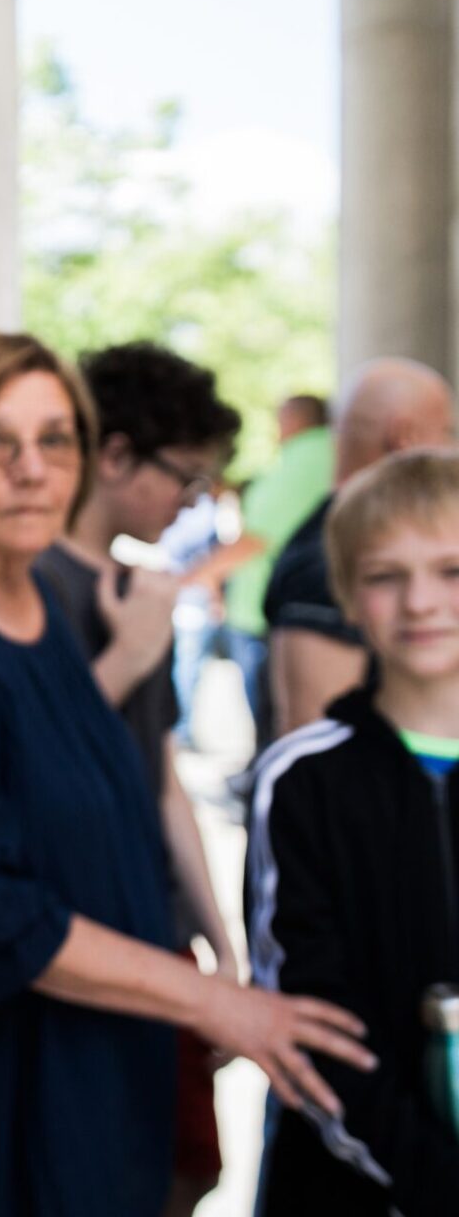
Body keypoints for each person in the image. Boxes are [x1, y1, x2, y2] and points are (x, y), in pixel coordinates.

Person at [0, 331, 373, 1217]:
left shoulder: (31, 597)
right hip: (9, 1083)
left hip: (101, 1059)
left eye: (55, 439)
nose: (31, 469)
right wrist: (213, 1001)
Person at [30, 340, 242, 1217]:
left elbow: (162, 784)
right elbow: (28, 777)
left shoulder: (143, 589)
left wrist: (222, 952)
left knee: (182, 1170)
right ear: (114, 454)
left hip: (155, 935)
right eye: (182, 477)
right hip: (68, 949)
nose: (189, 503)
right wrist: (128, 657)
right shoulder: (22, 586)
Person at [247, 448, 459, 1215]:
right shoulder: (303, 781)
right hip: (353, 1185)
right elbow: (310, 1021)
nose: (421, 602)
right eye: (385, 576)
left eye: (451, 571)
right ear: (345, 592)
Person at [265, 359, 454, 738]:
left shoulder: (327, 537)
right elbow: (313, 725)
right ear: (405, 436)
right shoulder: (326, 555)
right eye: (449, 431)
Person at [223, 394, 333, 739]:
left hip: (265, 618)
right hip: (274, 614)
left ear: (293, 421)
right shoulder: (322, 455)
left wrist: (189, 578)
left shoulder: (307, 457)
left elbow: (256, 539)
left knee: (276, 725)